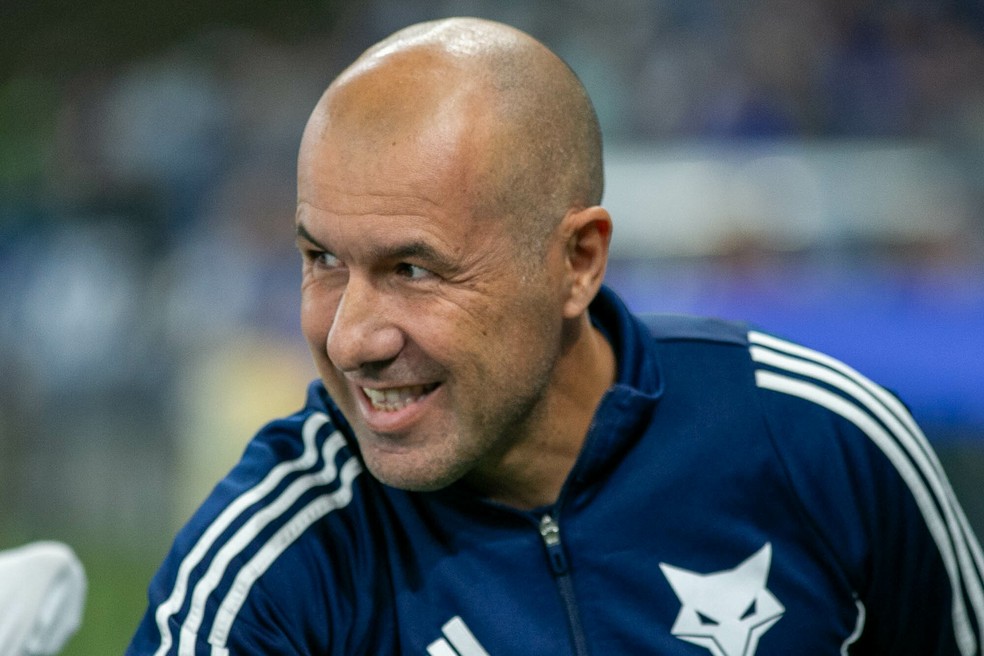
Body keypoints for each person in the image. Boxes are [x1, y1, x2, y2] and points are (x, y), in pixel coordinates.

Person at [128, 17, 984, 656]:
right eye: (321, 260)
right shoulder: (278, 560)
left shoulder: (824, 444)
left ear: (577, 262)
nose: (351, 339)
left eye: (414, 271)